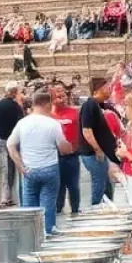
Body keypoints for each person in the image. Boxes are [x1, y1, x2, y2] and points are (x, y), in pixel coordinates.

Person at [8, 89, 71, 233]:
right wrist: (69, 146)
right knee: (48, 202)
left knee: (29, 204)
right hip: (49, 167)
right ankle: (47, 230)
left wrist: (20, 164)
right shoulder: (53, 124)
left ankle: (29, 234)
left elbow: (10, 144)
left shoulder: (22, 123)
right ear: (47, 104)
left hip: (29, 169)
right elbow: (63, 147)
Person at [79, 77, 122, 205]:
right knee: (100, 184)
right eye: (107, 87)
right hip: (93, 154)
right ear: (99, 88)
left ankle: (107, 207)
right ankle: (96, 209)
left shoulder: (99, 106)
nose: (110, 89)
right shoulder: (89, 105)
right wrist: (97, 149)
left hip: (102, 154)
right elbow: (87, 130)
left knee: (106, 185)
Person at [50, 84, 81, 218]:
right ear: (52, 100)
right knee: (58, 185)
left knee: (73, 184)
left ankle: (75, 208)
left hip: (71, 155)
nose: (62, 99)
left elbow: (81, 130)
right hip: (54, 155)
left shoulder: (75, 112)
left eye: (63, 96)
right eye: (58, 97)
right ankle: (58, 209)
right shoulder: (49, 115)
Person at [0, 82, 25, 206]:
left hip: (3, 138)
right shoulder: (16, 106)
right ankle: (22, 196)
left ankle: (6, 196)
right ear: (15, 92)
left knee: (7, 167)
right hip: (16, 139)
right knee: (20, 165)